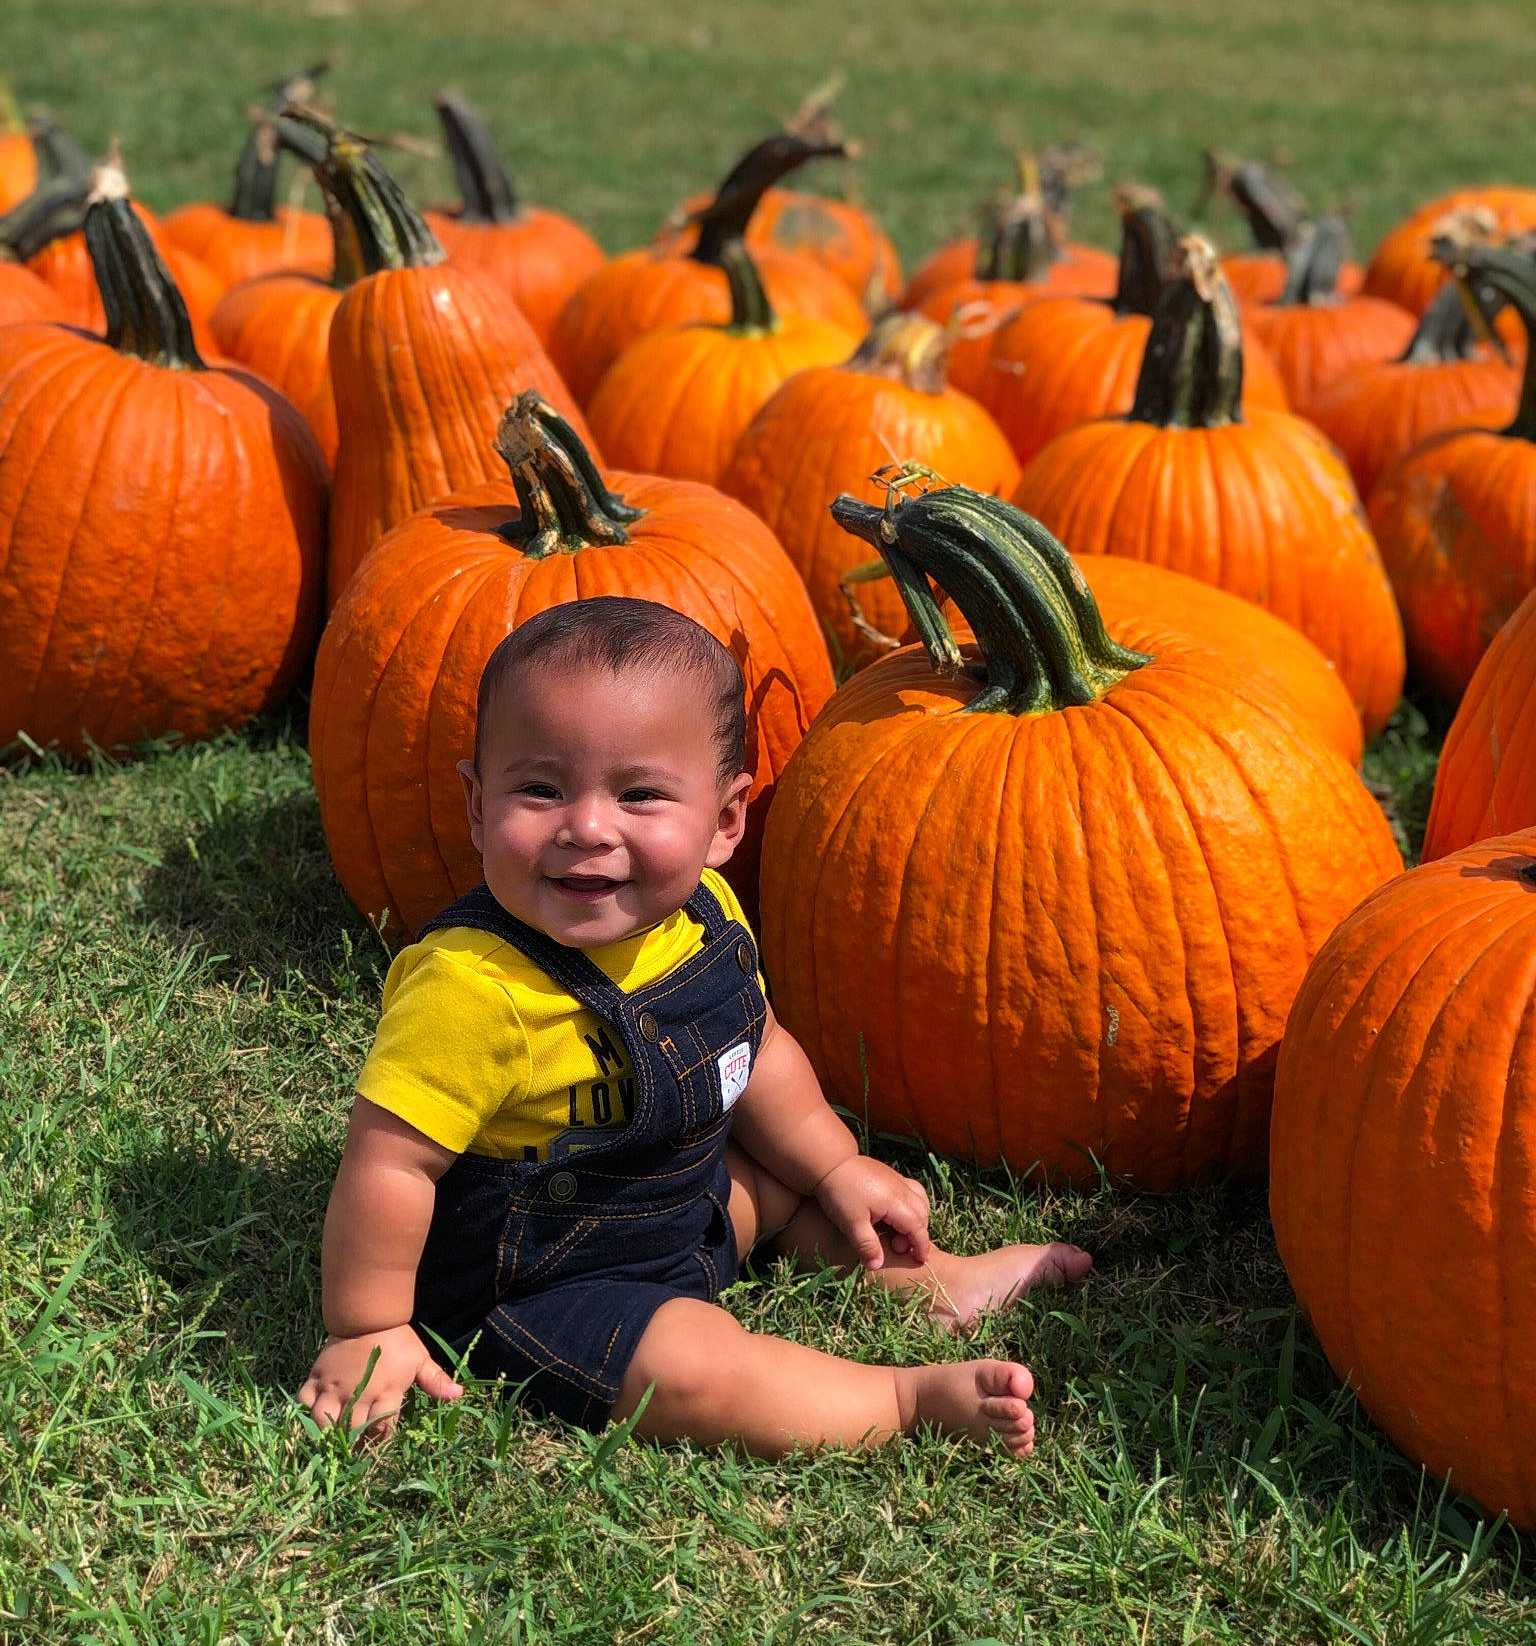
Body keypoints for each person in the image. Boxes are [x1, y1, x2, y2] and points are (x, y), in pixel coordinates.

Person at [298, 597, 1091, 1456]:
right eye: (540, 788)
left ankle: (933, 1285)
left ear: (724, 822)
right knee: (691, 1368)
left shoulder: (709, 915)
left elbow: (758, 1051)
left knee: (793, 1189)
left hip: (683, 1204)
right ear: (477, 805)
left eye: (639, 794)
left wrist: (836, 1163)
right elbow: (390, 1164)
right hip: (544, 1280)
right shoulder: (469, 988)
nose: (587, 828)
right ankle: (902, 1401)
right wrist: (368, 1325)